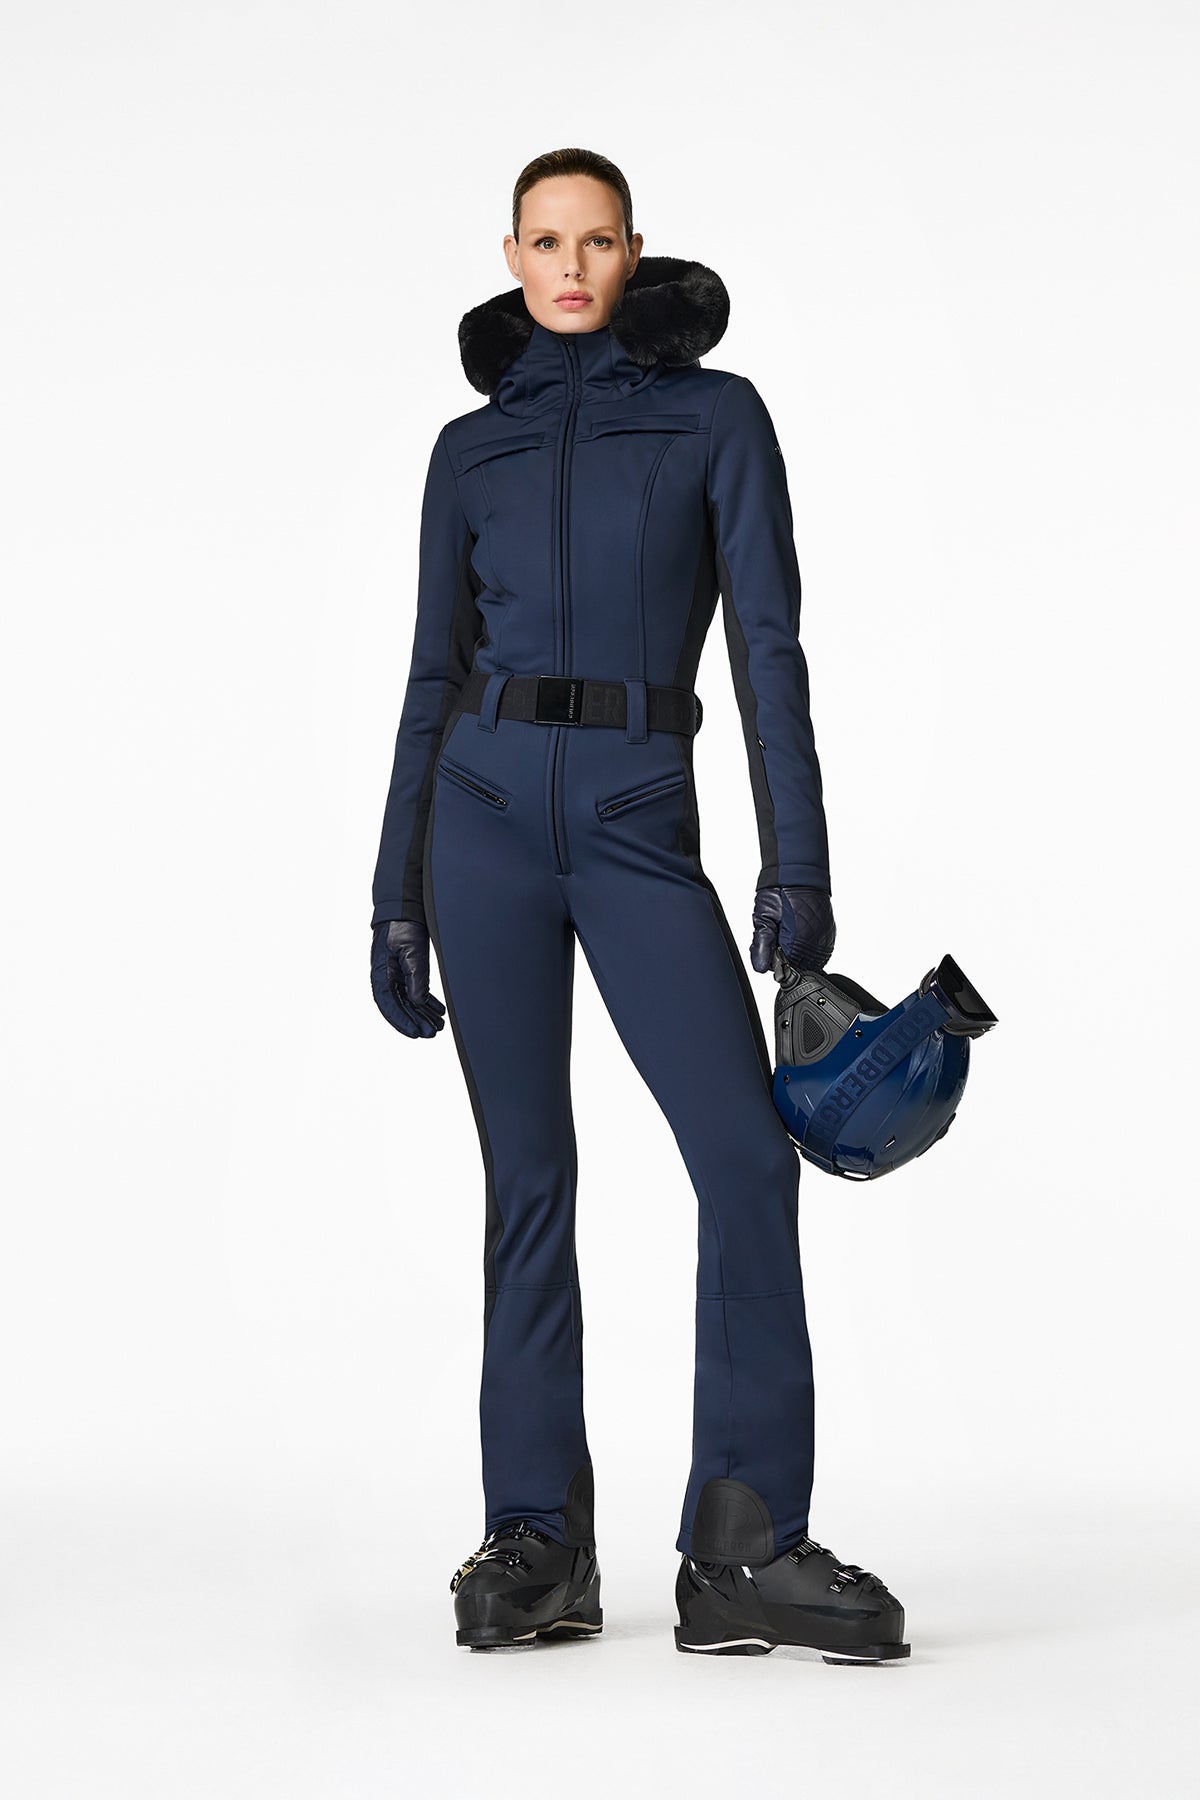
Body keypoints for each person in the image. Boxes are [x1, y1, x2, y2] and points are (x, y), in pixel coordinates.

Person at [369, 147, 908, 1664]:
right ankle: (537, 1537)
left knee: (743, 1156)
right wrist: (394, 888)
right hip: (481, 821)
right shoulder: (467, 449)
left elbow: (768, 651)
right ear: (512, 253)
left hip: (632, 818)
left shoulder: (714, 418)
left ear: (631, 250)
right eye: (544, 242)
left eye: (595, 242)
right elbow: (431, 672)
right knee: (527, 1178)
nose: (570, 268)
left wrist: (797, 864)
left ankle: (743, 1540)